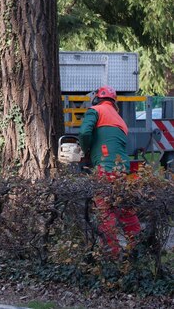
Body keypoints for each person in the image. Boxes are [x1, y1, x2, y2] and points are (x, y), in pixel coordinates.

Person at [78, 85, 141, 256]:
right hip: (123, 171)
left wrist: (85, 151)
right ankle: (137, 250)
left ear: (97, 99)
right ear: (114, 102)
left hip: (105, 169)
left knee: (105, 214)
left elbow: (84, 133)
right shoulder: (120, 120)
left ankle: (111, 256)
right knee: (127, 212)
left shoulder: (95, 110)